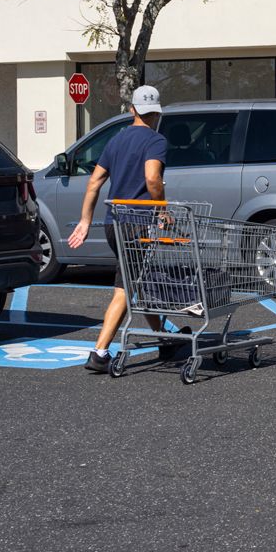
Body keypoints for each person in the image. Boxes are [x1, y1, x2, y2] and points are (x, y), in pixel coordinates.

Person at [67, 85, 175, 373]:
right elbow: (153, 178)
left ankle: (164, 338)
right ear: (156, 113)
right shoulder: (156, 140)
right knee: (125, 287)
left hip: (114, 222)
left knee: (136, 279)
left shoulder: (116, 140)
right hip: (138, 223)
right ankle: (99, 352)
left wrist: (85, 221)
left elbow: (94, 182)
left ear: (132, 110)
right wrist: (162, 210)